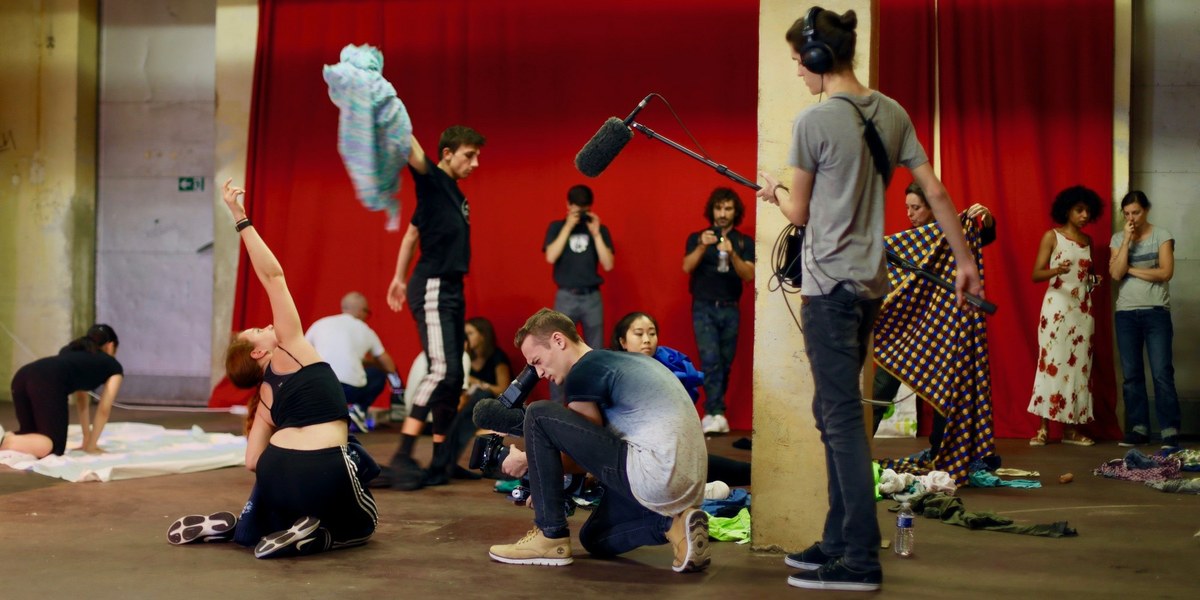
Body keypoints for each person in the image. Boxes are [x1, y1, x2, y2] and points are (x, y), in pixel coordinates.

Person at [757, 7, 982, 592]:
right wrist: (963, 261)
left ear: (817, 58)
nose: (798, 73)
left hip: (829, 292)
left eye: (798, 62)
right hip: (868, 292)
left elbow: (799, 213)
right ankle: (836, 538)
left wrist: (774, 191)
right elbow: (933, 189)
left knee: (840, 423)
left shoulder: (815, 122)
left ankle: (858, 558)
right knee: (832, 419)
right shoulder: (893, 112)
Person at [166, 179, 377, 559]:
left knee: (298, 493)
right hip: (321, 469)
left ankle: (243, 528)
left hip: (275, 474)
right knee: (365, 523)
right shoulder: (291, 352)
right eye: (259, 331)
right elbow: (273, 277)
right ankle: (319, 536)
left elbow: (251, 462)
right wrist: (240, 217)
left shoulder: (264, 398)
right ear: (260, 353)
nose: (267, 326)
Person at [488, 309, 710, 573]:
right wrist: (546, 475)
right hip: (689, 483)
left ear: (559, 341)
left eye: (537, 361)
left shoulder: (585, 370)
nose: (538, 372)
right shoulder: (621, 362)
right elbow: (596, 450)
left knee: (537, 414)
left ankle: (549, 537)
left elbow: (579, 458)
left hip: (654, 474)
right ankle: (674, 526)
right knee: (594, 538)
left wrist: (530, 465)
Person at [380, 124, 486, 490]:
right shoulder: (433, 180)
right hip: (434, 286)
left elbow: (411, 234)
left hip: (451, 287)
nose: (475, 163)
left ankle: (441, 461)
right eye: (468, 155)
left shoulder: (450, 195)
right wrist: (391, 101)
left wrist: (397, 277)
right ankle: (403, 454)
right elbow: (412, 148)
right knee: (440, 369)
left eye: (476, 156)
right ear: (446, 154)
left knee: (455, 375)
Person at [871, 181, 996, 459]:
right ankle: (855, 452)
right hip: (903, 329)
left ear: (933, 208)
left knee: (945, 392)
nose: (910, 214)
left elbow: (980, 237)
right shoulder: (907, 242)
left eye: (916, 207)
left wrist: (986, 222)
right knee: (879, 390)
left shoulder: (951, 236)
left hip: (941, 328)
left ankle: (943, 454)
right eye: (907, 208)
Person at [610, 311, 749, 489]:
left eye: (652, 333)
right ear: (623, 342)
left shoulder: (672, 366)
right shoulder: (615, 375)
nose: (646, 339)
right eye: (639, 334)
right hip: (639, 459)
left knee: (743, 471)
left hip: (678, 452)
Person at [1026, 186, 1104, 447]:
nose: (1084, 215)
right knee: (1051, 363)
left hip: (1082, 310)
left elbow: (1083, 276)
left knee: (1078, 367)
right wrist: (1055, 269)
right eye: (1079, 210)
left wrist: (1093, 280)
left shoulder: (1088, 241)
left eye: (1087, 211)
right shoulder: (1052, 236)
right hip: (1057, 309)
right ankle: (1043, 428)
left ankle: (1072, 430)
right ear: (1067, 210)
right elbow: (1036, 274)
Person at [1109, 191, 1180, 448]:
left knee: (1162, 372)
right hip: (1126, 313)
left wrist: (1130, 268)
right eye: (1127, 213)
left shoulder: (1162, 234)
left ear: (1146, 210)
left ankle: (1170, 429)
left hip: (1156, 311)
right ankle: (1138, 428)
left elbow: (1165, 272)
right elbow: (1116, 274)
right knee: (1131, 374)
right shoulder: (1118, 238)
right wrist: (1127, 241)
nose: (1132, 218)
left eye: (1136, 212)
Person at [682, 187, 755, 434]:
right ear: (712, 210)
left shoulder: (744, 242)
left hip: (730, 308)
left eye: (728, 208)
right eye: (719, 208)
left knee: (725, 364)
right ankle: (714, 412)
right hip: (703, 307)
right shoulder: (697, 237)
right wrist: (703, 246)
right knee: (711, 361)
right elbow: (686, 267)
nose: (723, 213)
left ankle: (715, 414)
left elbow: (749, 275)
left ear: (736, 212)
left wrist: (732, 253)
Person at [1, 324, 122, 458]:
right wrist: (92, 446)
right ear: (111, 346)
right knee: (54, 446)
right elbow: (104, 409)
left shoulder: (69, 350)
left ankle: (6, 437)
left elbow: (82, 399)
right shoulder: (113, 365)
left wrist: (87, 437)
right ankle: (3, 441)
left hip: (22, 376)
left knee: (31, 433)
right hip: (46, 381)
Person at [305, 291, 399, 432]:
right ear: (361, 311)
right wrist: (372, 363)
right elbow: (389, 366)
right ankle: (358, 410)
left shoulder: (320, 324)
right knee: (379, 373)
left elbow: (301, 354)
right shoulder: (366, 330)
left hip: (319, 388)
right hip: (349, 391)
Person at [543, 184, 615, 350]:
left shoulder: (599, 230)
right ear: (568, 205)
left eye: (584, 211)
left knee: (595, 347)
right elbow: (551, 256)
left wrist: (596, 234)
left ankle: (593, 376)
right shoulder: (557, 227)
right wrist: (568, 227)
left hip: (592, 297)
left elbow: (608, 264)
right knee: (560, 346)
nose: (580, 215)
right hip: (566, 295)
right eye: (577, 211)